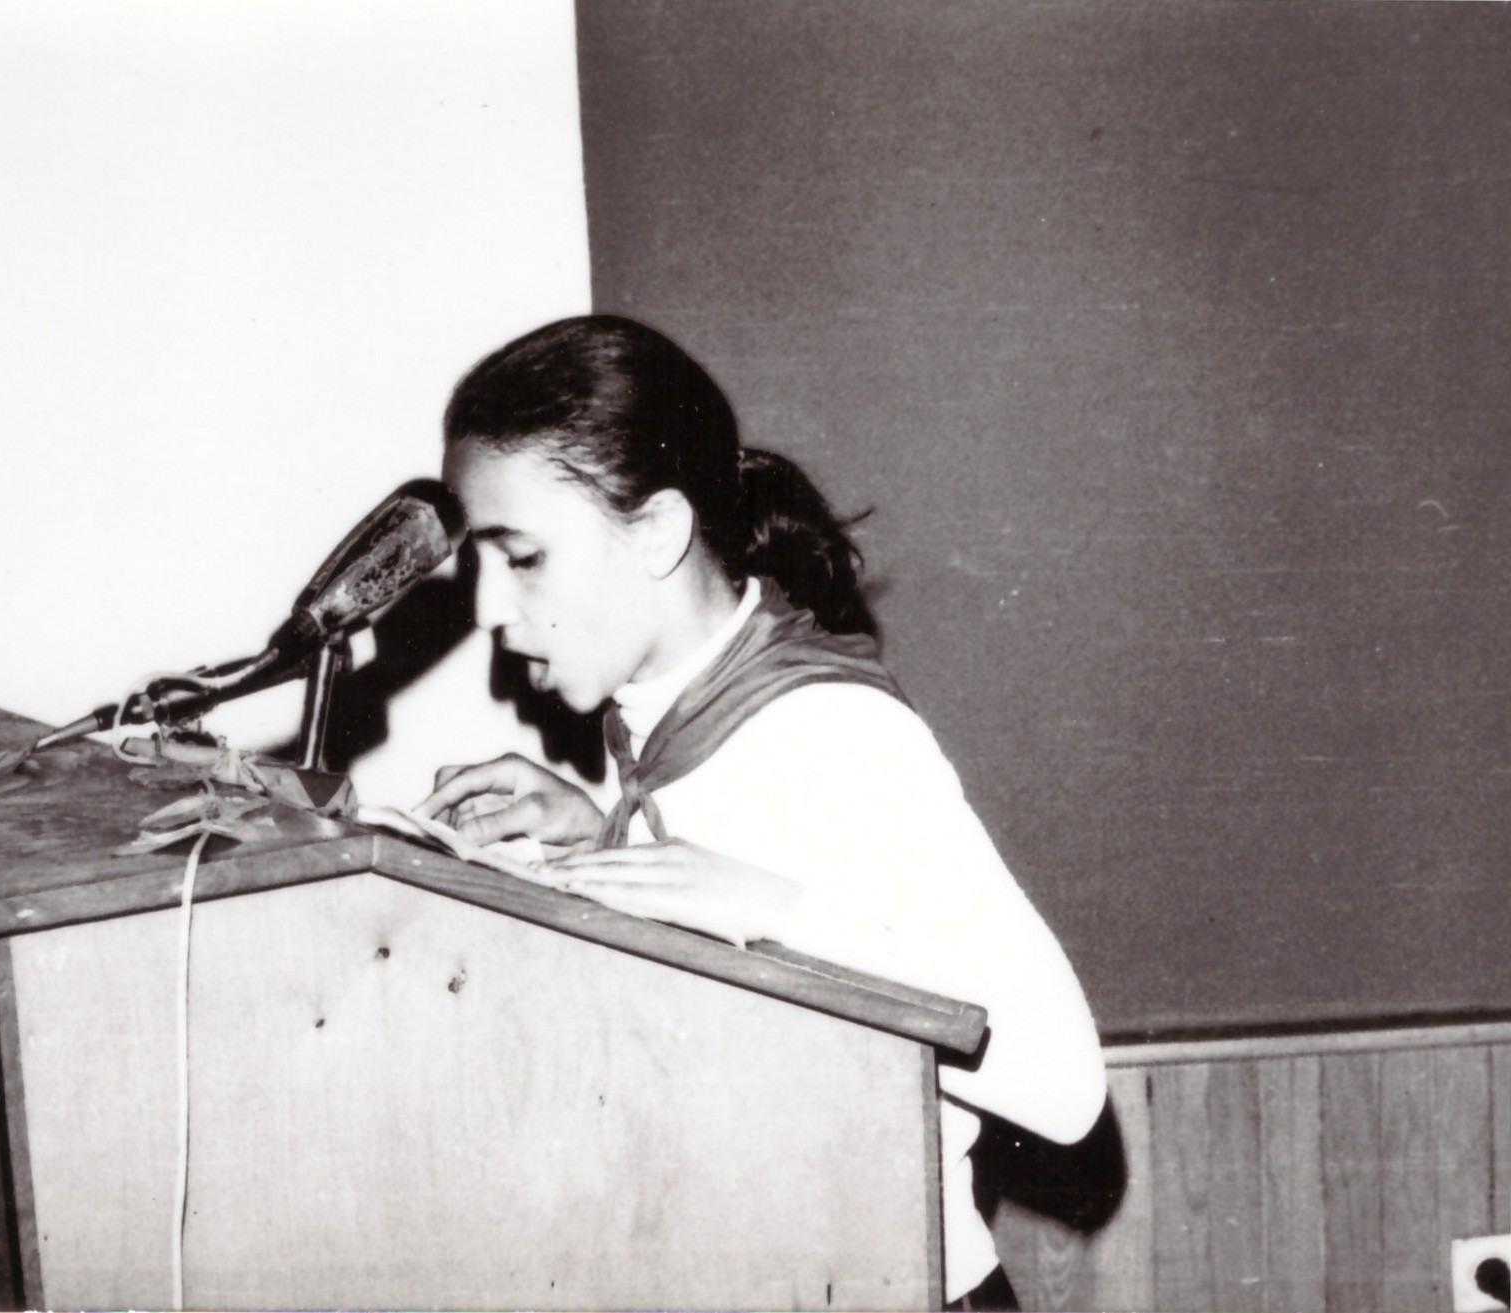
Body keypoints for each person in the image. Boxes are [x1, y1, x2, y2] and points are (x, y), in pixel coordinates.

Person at [414, 314, 1105, 1312]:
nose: (487, 608)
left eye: (521, 556)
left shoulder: (834, 730)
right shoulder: (661, 722)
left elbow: (1065, 1084)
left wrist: (770, 909)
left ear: (657, 532)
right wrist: (596, 825)